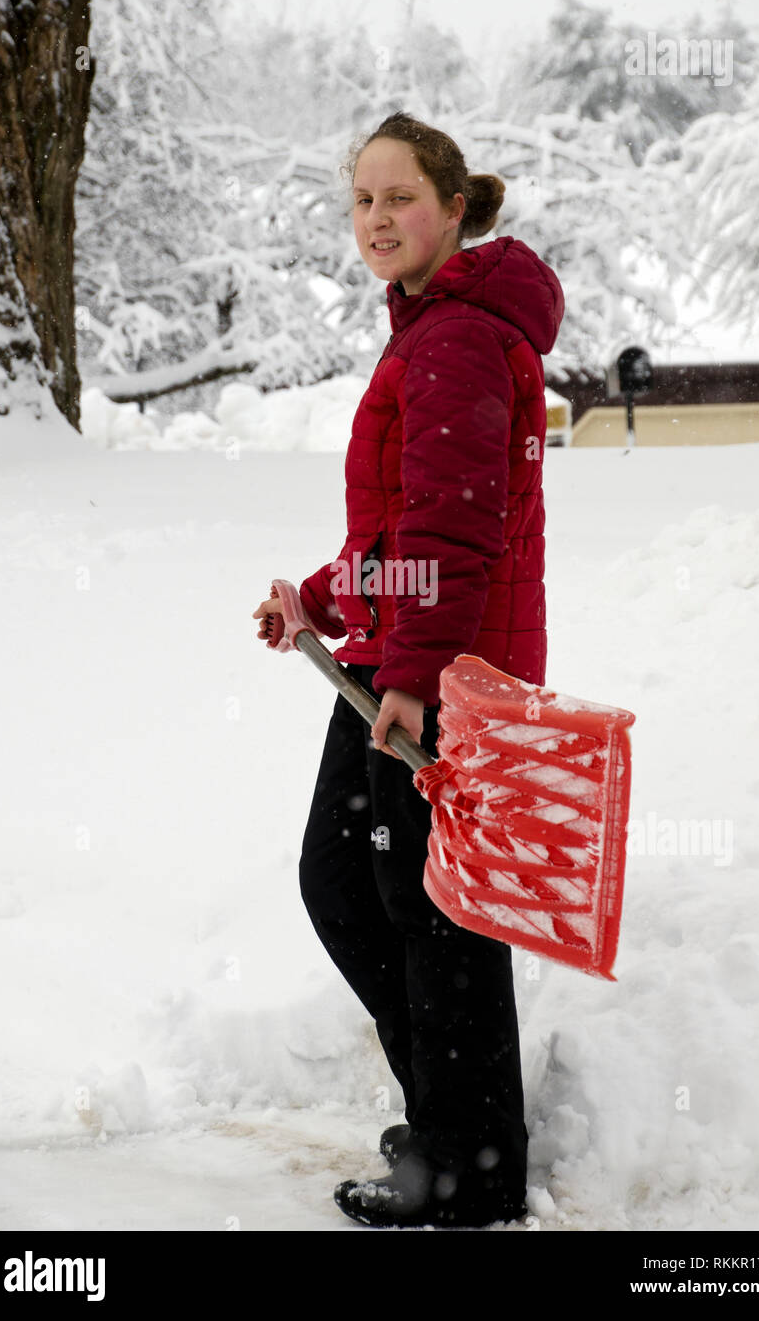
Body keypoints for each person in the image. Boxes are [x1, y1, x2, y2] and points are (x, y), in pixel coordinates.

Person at [253, 111, 564, 1228]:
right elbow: (400, 528)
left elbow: (456, 527)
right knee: (355, 883)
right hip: (403, 658)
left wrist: (416, 678)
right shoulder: (430, 329)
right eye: (364, 200)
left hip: (442, 675)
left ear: (451, 208)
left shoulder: (462, 335)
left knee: (436, 910)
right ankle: (455, 1119)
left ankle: (470, 1163)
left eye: (400, 199)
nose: (378, 219)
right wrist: (321, 601)